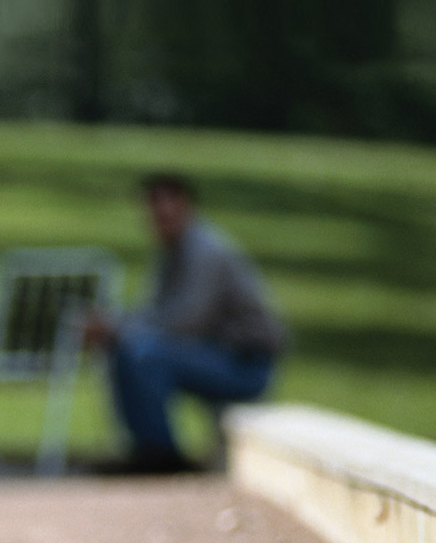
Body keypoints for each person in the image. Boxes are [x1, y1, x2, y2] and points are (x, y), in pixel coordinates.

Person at [85, 173, 287, 472]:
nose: (159, 213)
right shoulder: (172, 251)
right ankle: (147, 448)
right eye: (153, 204)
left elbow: (186, 321)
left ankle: (161, 454)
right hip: (210, 356)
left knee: (143, 352)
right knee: (126, 348)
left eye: (167, 203)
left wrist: (117, 327)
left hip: (245, 364)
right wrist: (113, 327)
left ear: (186, 205)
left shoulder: (206, 250)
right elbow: (151, 312)